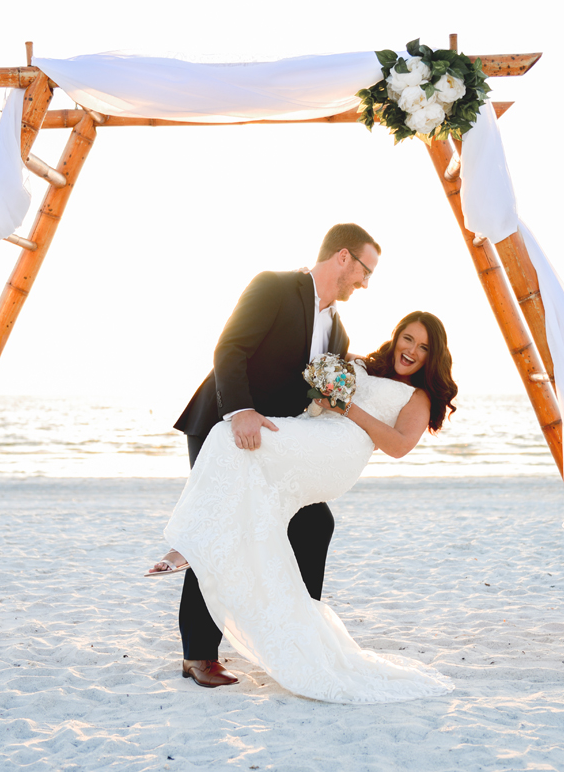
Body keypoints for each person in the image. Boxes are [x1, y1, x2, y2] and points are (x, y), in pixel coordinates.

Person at [158, 312, 459, 703]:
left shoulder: (419, 395)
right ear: (396, 336)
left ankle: (188, 541)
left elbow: (399, 445)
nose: (411, 351)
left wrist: (348, 408)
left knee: (232, 441)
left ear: (433, 357)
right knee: (231, 451)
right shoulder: (364, 364)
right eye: (408, 339)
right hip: (315, 431)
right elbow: (315, 385)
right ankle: (199, 553)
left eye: (423, 347)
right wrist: (323, 396)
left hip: (338, 453)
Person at [155, 223, 381, 689]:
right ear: (342, 257)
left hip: (277, 446)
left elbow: (319, 392)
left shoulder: (337, 329)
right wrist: (240, 410)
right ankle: (198, 655)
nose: (364, 283)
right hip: (224, 426)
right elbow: (230, 347)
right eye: (364, 270)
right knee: (219, 527)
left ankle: (302, 644)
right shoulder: (274, 286)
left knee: (316, 523)